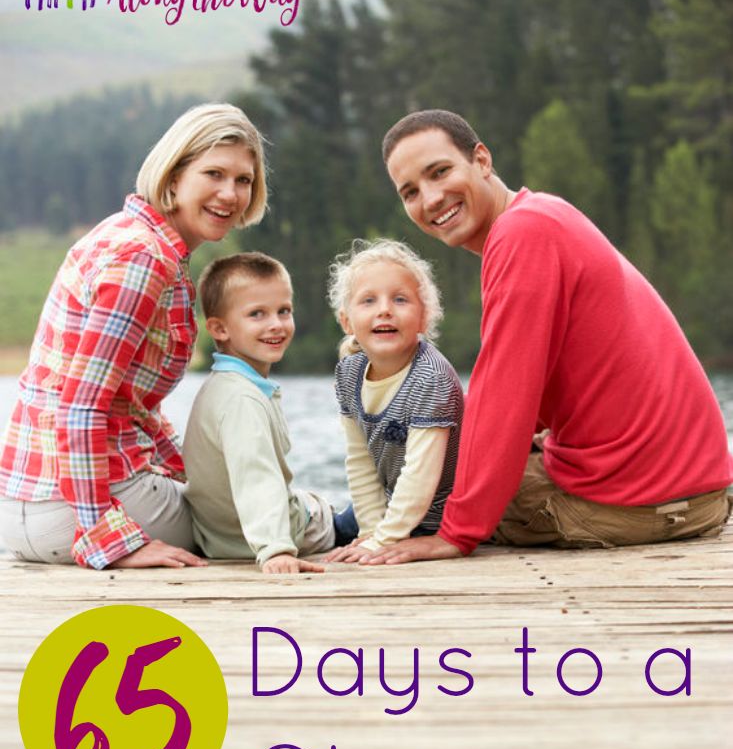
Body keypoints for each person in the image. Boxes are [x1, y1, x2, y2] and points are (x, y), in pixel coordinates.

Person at [367, 108, 732, 565]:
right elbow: (532, 394)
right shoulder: (540, 214)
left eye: (440, 172)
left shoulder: (521, 235)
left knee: (431, 480)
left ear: (481, 160)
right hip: (699, 491)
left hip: (642, 504)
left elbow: (505, 394)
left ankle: (334, 524)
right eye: (411, 192)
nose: (432, 198)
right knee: (445, 459)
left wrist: (456, 533)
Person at [0, 103, 267, 570]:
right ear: (174, 176)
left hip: (26, 507)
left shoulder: (130, 236)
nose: (230, 193)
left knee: (243, 499)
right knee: (262, 521)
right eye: (214, 174)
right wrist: (108, 537)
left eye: (243, 180)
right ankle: (347, 525)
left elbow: (132, 407)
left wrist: (197, 475)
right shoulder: (143, 260)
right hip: (70, 510)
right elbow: (80, 406)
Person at [183, 252, 358, 574]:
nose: (276, 324)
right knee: (387, 512)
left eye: (284, 311)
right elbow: (257, 478)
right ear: (219, 329)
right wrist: (276, 550)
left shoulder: (224, 386)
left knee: (316, 499)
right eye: (257, 314)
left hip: (222, 538)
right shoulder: (241, 400)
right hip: (291, 534)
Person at [325, 239, 464, 564]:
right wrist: (370, 533)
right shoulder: (349, 372)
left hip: (438, 516)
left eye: (400, 299)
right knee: (325, 530)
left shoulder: (431, 377)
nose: (384, 309)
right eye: (368, 300)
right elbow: (359, 459)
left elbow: (420, 476)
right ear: (347, 321)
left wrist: (383, 541)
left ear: (424, 318)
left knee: (342, 532)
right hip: (389, 509)